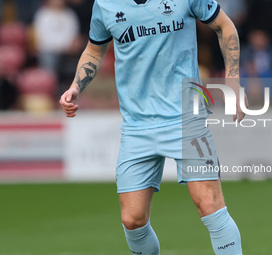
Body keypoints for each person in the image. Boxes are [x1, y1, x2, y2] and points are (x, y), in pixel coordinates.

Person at [60, 0, 248, 254]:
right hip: (137, 124)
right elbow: (94, 50)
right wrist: (75, 86)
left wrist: (233, 79)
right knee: (133, 220)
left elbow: (224, 26)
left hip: (186, 117)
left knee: (209, 204)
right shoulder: (105, 5)